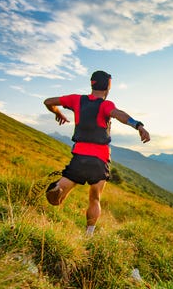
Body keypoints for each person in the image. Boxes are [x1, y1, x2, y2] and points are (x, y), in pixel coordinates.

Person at [43, 70, 150, 237]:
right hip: (99, 159)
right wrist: (139, 126)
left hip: (79, 156)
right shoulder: (105, 105)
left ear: (91, 83)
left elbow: (48, 101)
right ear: (108, 87)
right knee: (95, 198)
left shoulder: (76, 99)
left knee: (60, 195)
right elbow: (120, 115)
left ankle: (58, 188)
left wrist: (58, 113)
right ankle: (89, 235)